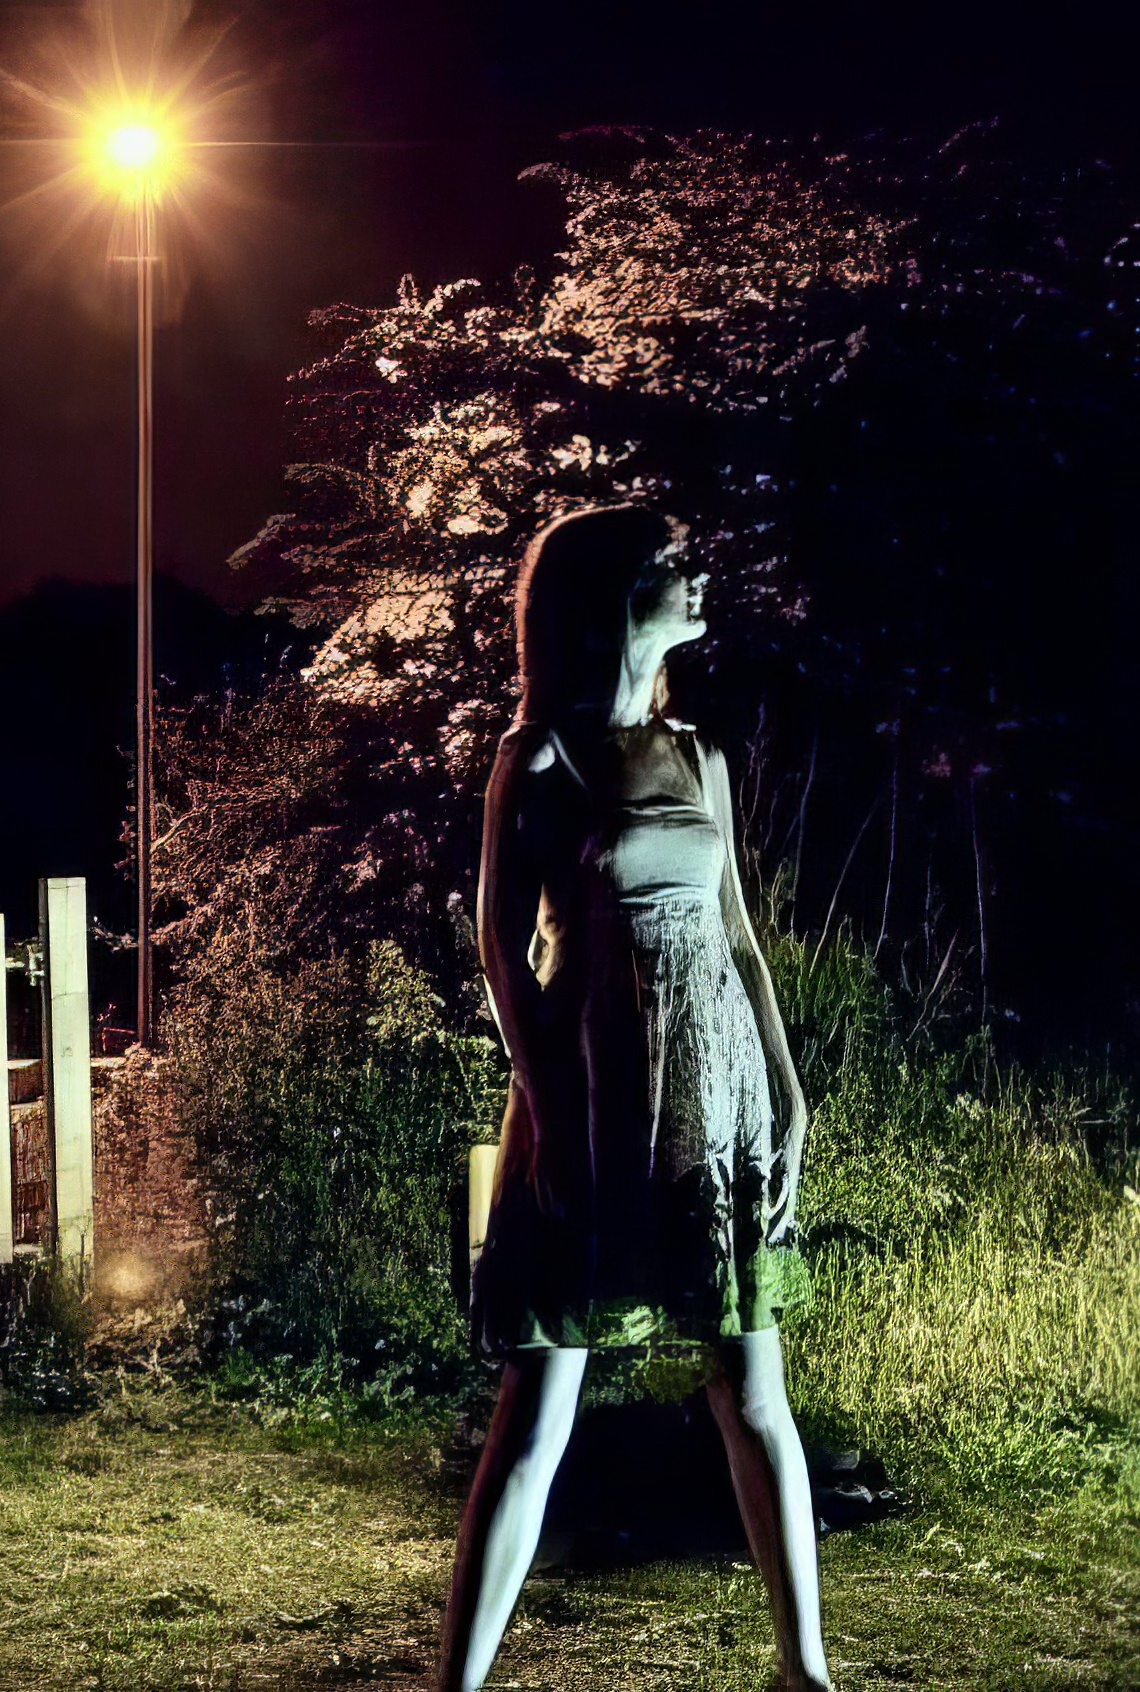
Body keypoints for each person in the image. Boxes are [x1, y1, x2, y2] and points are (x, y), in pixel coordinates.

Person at [438, 505, 832, 1692]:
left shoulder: (701, 755)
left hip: (714, 1101)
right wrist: (550, 1115)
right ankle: (452, 1685)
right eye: (673, 562)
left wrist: (789, 1093)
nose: (700, 571)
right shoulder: (541, 759)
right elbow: (503, 956)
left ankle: (802, 1669)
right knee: (541, 1402)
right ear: (610, 597)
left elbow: (743, 943)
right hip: (591, 1102)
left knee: (751, 1384)